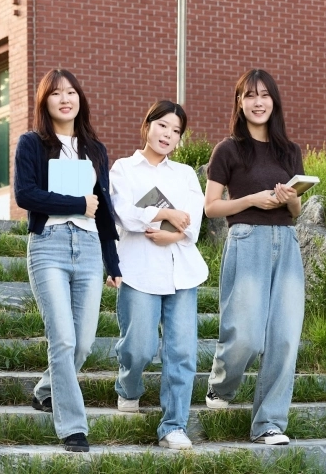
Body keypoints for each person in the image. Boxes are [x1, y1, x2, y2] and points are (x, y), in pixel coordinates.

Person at [14, 69, 123, 453]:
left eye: (71, 92)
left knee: (83, 343)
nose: (65, 99)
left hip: (90, 248)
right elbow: (25, 195)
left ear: (80, 99)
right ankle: (73, 428)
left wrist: (114, 263)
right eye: (56, 93)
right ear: (44, 102)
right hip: (49, 245)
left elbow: (104, 209)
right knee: (62, 338)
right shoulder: (31, 143)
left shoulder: (95, 148)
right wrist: (77, 204)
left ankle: (45, 389)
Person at [203, 69, 306, 445]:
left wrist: (288, 197)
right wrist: (253, 199)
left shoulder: (289, 151)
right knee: (245, 335)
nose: (258, 102)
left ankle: (269, 424)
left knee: (284, 338)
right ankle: (220, 384)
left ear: (274, 101)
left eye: (264, 95)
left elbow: (296, 211)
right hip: (246, 240)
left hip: (287, 243)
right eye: (250, 96)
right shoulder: (228, 150)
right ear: (239, 103)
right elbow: (211, 207)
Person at [109, 100, 208, 451]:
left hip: (181, 268)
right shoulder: (123, 169)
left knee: (182, 351)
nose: (168, 134)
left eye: (176, 130)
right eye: (163, 125)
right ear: (147, 125)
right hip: (138, 268)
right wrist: (163, 213)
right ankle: (128, 386)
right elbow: (123, 213)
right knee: (139, 347)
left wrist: (176, 233)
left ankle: (173, 425)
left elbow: (194, 216)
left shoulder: (183, 174)